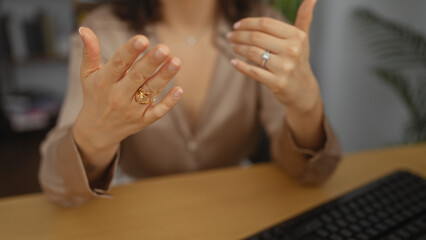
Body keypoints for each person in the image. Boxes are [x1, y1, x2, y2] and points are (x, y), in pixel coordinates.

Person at [39, 0, 341, 207]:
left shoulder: (265, 26)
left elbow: (312, 173)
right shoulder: (103, 31)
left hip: (241, 208)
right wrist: (92, 140)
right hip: (139, 212)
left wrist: (307, 110)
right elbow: (58, 187)